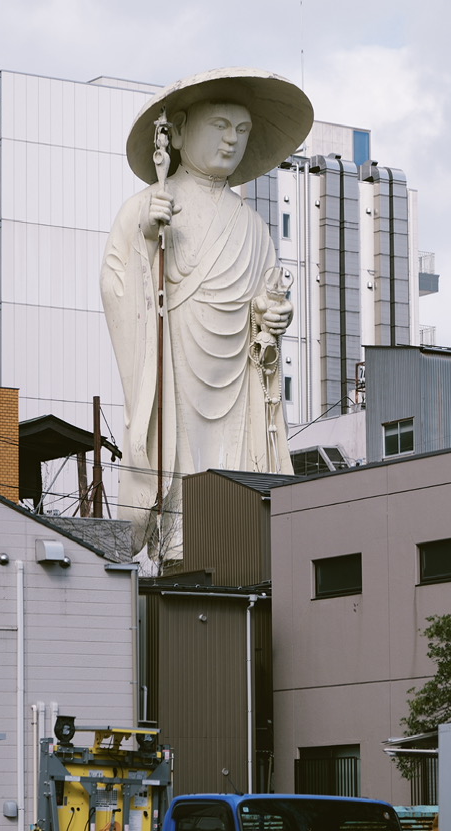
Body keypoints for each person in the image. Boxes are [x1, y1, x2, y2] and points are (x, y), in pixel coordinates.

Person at [101, 68, 313, 554]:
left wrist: (272, 318)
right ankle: (177, 541)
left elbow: (266, 297)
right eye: (219, 125)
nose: (231, 140)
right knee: (180, 469)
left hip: (238, 382)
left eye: (242, 130)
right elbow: (117, 286)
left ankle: (236, 538)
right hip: (176, 372)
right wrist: (145, 238)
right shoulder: (147, 206)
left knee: (235, 471)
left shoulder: (253, 226)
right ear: (176, 132)